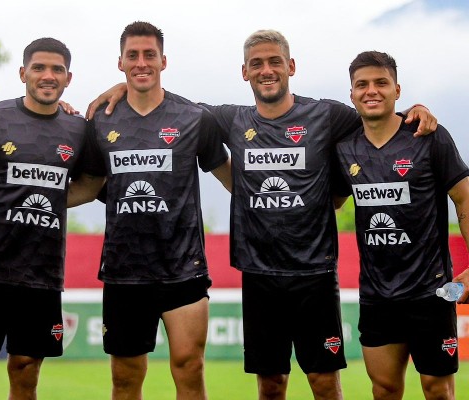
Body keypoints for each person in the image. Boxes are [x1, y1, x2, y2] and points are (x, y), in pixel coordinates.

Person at [87, 30, 437, 400]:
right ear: (244, 72)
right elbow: (164, 104)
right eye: (257, 64)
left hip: (314, 275)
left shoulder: (327, 115)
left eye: (274, 62)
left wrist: (414, 110)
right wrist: (125, 85)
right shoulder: (229, 120)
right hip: (258, 276)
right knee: (270, 386)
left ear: (291, 66)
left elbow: (377, 115)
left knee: (323, 382)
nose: (266, 70)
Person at [68, 21, 231, 400]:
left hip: (183, 269)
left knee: (189, 370)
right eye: (133, 56)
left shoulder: (193, 118)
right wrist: (26, 197)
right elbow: (89, 186)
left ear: (163, 61)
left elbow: (232, 180)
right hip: (125, 270)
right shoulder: (101, 120)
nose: (142, 63)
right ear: (121, 63)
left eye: (149, 55)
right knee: (125, 380)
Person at [0, 38, 87, 400]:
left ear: (68, 78)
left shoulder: (78, 129)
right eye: (39, 67)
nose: (47, 75)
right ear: (23, 72)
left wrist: (54, 201)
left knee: (26, 370)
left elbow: (96, 180)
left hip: (41, 273)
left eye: (57, 69)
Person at [332, 50, 469, 400]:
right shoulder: (344, 149)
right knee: (385, 389)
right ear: (351, 94)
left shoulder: (428, 135)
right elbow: (329, 202)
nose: (371, 90)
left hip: (433, 293)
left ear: (397, 90)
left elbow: (464, 199)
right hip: (377, 296)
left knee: (438, 390)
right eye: (361, 85)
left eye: (381, 82)